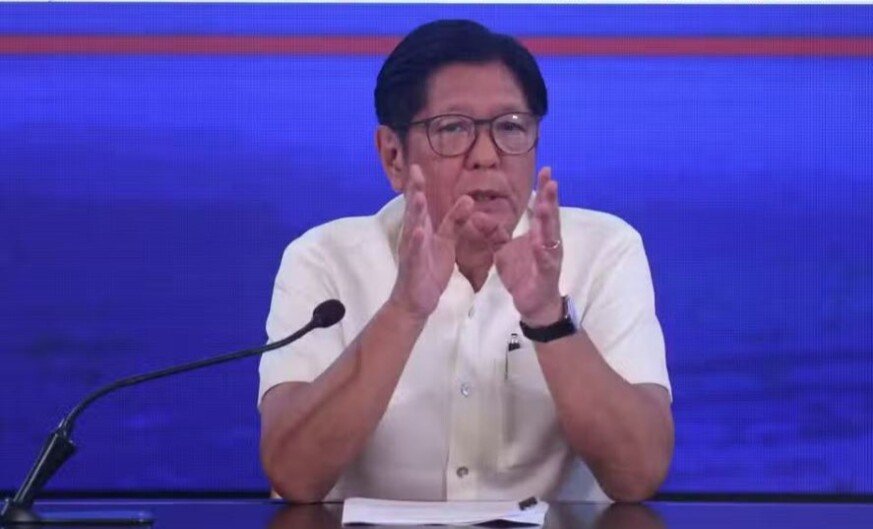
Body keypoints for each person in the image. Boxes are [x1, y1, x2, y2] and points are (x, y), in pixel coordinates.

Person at [258, 19, 673, 503]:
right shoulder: (324, 260)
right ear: (393, 156)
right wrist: (404, 311)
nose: (486, 156)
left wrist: (549, 319)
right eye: (452, 128)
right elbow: (294, 475)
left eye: (510, 127)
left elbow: (639, 475)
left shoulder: (603, 250)